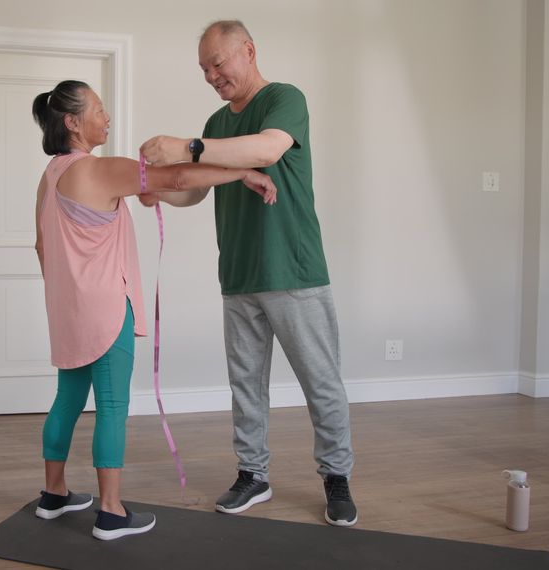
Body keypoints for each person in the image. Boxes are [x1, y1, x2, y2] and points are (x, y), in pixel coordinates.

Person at [30, 79, 277, 540]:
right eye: (99, 110)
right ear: (72, 122)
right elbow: (178, 179)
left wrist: (68, 292)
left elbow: (42, 246)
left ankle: (54, 494)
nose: (106, 117)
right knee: (111, 405)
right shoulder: (97, 170)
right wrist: (241, 172)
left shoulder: (49, 175)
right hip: (105, 307)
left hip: (68, 310)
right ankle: (110, 511)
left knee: (67, 398)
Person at [138, 20, 358, 527]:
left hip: (294, 270)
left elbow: (265, 150)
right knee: (245, 384)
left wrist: (188, 147)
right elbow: (194, 189)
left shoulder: (285, 98)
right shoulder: (217, 122)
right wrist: (157, 190)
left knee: (320, 381)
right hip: (238, 273)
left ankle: (337, 478)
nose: (213, 75)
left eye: (219, 63)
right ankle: (252, 474)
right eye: (204, 69)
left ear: (248, 51)